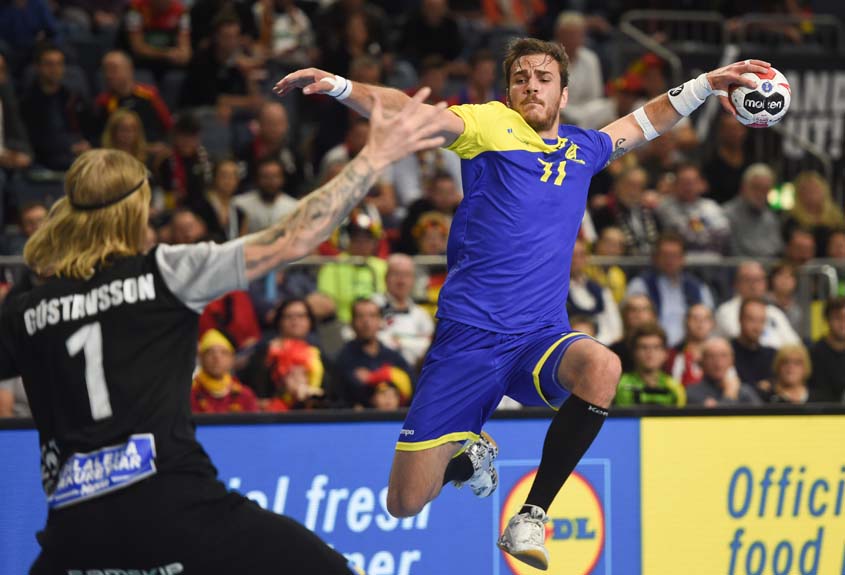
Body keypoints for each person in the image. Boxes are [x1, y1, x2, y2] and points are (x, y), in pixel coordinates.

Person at [276, 37, 766, 570]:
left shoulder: (585, 148)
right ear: (509, 91)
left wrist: (709, 82)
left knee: (603, 366)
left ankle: (531, 515)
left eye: (543, 77)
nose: (531, 85)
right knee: (405, 501)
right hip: (469, 339)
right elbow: (413, 112)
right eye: (520, 78)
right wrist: (343, 87)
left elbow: (646, 121)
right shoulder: (488, 126)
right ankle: (471, 457)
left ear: (563, 91)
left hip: (539, 336)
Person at [0, 86, 451, 572]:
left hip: (74, 533)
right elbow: (293, 235)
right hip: (173, 508)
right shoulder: (164, 272)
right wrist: (377, 154)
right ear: (135, 211)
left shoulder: (24, 310)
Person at [614, 323, 686, 407]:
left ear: (665, 354)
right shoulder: (620, 385)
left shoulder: (675, 388)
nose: (650, 352)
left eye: (656, 347)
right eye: (643, 347)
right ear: (633, 352)